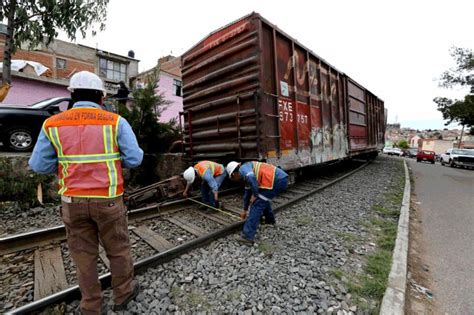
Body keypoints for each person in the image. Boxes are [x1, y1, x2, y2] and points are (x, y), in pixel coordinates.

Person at [28, 71, 143, 314]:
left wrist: (64, 164)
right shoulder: (115, 121)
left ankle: (91, 305)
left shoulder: (53, 124)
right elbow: (135, 158)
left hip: (72, 201)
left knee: (83, 255)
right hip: (109, 201)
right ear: (101, 96)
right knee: (118, 250)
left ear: (71, 94)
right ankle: (123, 295)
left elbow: (38, 165)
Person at [226, 161, 288, 244]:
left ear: (233, 174)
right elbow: (247, 194)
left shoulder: (244, 171)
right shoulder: (246, 170)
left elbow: (251, 178)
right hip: (280, 179)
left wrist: (255, 195)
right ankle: (270, 220)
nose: (234, 180)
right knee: (263, 200)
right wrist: (244, 210)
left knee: (257, 205)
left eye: (232, 178)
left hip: (277, 180)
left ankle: (247, 237)